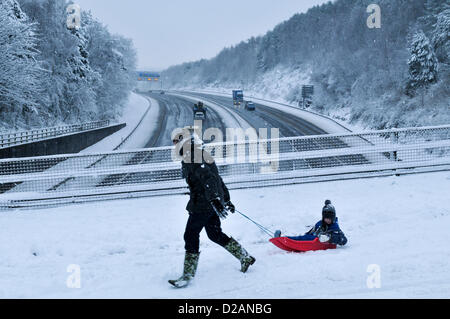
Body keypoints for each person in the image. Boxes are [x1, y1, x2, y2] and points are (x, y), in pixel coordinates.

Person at [169, 134, 256, 288]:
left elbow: (210, 179)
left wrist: (216, 199)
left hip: (203, 204)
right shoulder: (200, 154)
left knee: (190, 234)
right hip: (210, 203)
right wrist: (225, 199)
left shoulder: (193, 156)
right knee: (215, 234)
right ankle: (245, 257)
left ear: (185, 142)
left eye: (176, 142)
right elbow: (217, 178)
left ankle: (188, 274)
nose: (175, 145)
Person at [274, 200, 347, 246]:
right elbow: (312, 231)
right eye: (325, 218)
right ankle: (283, 238)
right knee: (302, 237)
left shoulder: (334, 227)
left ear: (333, 218)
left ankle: (287, 240)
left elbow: (344, 240)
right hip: (311, 239)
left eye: (329, 218)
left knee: (306, 238)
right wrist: (308, 234)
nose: (327, 220)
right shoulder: (320, 223)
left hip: (319, 243)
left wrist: (330, 237)